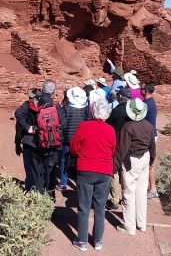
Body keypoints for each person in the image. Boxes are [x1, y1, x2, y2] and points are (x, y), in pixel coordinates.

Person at [70, 98, 116, 252]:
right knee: (100, 208)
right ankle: (98, 241)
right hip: (104, 170)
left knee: (84, 206)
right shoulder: (110, 130)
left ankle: (82, 241)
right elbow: (112, 149)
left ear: (92, 111)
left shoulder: (84, 126)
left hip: (86, 169)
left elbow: (74, 148)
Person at [113, 98, 156, 235]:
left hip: (131, 160)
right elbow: (152, 146)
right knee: (141, 192)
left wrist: (115, 166)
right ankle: (141, 223)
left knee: (128, 193)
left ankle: (129, 226)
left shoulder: (127, 127)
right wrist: (152, 160)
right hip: (145, 158)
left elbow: (121, 149)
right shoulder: (149, 126)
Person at [57, 87, 89, 191]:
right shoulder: (85, 109)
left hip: (67, 139)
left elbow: (62, 122)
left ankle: (63, 183)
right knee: (79, 161)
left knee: (64, 160)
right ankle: (79, 183)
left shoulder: (67, 108)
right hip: (81, 140)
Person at [105, 87, 132, 210]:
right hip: (130, 143)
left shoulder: (116, 111)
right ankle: (127, 198)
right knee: (126, 170)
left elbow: (107, 123)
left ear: (120, 97)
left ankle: (114, 199)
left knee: (114, 171)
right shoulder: (132, 110)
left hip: (116, 142)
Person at [13, 88, 41, 191]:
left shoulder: (26, 106)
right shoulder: (46, 105)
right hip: (43, 141)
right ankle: (40, 193)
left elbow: (19, 128)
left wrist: (17, 144)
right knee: (39, 169)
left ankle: (29, 192)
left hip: (28, 142)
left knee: (29, 169)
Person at [141, 82, 159, 199]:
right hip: (152, 134)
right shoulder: (151, 102)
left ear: (146, 91)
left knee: (149, 163)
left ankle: (153, 189)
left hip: (150, 135)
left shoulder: (146, 104)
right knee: (149, 162)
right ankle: (150, 186)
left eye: (142, 89)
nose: (140, 90)